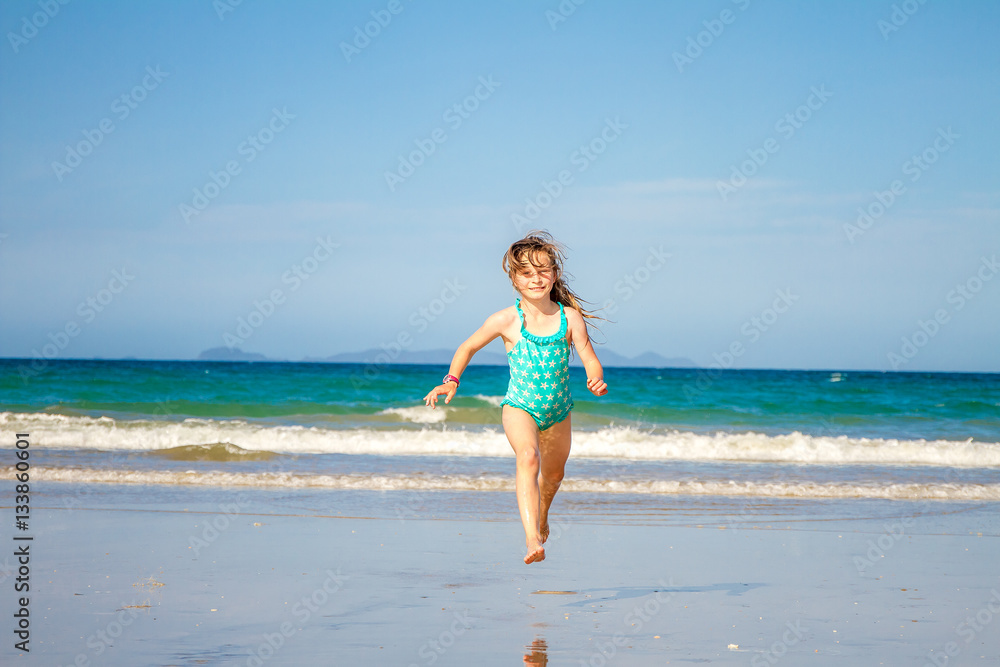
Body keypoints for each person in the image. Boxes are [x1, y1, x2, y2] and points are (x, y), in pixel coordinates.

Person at [423, 231, 608, 564]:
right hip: (519, 407)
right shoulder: (506, 320)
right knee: (528, 456)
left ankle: (543, 514)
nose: (536, 279)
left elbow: (587, 353)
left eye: (543, 271)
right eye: (526, 273)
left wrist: (595, 376)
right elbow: (468, 347)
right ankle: (532, 540)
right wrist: (451, 380)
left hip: (559, 411)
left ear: (555, 274)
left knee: (554, 476)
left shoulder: (569, 317)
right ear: (514, 279)